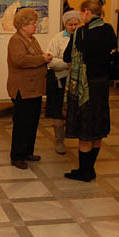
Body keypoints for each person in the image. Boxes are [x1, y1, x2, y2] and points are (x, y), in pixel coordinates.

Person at [62, 0, 117, 181]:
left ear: (86, 11)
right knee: (97, 130)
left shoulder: (81, 32)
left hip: (85, 88)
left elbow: (67, 57)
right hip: (102, 86)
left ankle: (84, 171)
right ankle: (90, 169)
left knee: (85, 132)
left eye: (82, 13)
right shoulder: (108, 29)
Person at [7, 8, 53, 169]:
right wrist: (42, 58)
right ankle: (17, 156)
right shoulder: (16, 40)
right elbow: (20, 60)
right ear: (23, 25)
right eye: (33, 23)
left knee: (32, 122)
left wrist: (45, 57)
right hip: (23, 89)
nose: (36, 26)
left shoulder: (31, 39)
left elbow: (37, 55)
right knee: (22, 124)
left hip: (34, 89)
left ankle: (27, 152)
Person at [45, 10, 82, 154]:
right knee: (58, 112)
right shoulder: (57, 39)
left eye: (76, 24)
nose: (73, 27)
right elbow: (51, 61)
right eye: (70, 24)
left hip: (77, 82)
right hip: (60, 80)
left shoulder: (83, 38)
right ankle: (59, 141)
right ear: (65, 24)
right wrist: (67, 64)